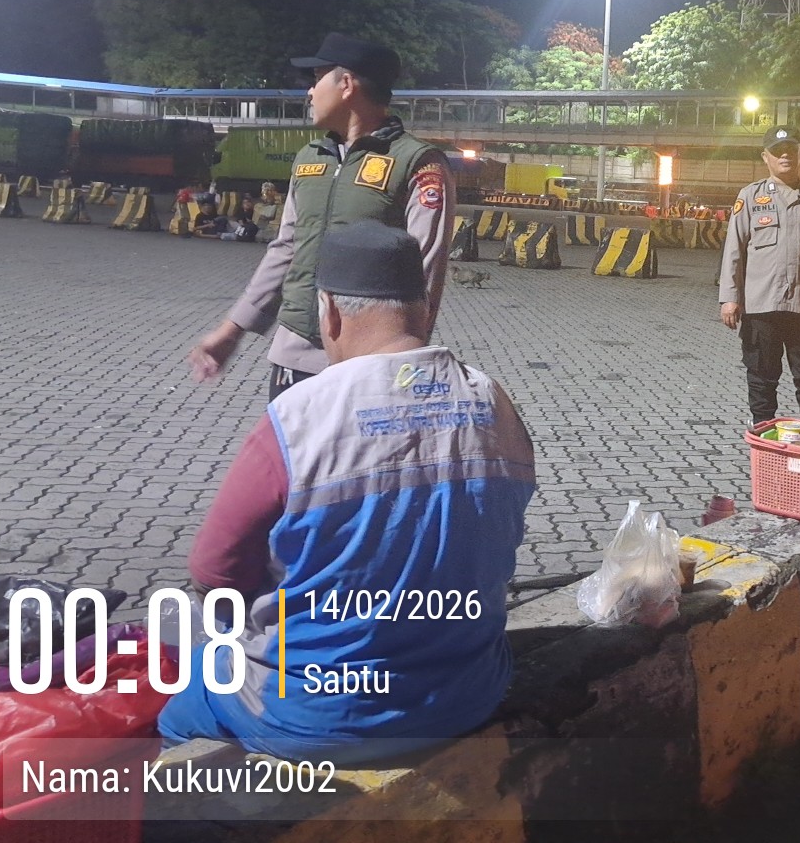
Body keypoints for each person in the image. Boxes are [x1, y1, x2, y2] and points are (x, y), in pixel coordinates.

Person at [158, 221, 536, 764]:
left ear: (330, 313)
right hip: (468, 695)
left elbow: (214, 573)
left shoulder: (298, 416)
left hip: (319, 716)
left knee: (180, 709)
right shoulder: (494, 400)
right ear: (423, 307)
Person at [188, 34, 454, 401]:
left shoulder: (418, 163)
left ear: (346, 84)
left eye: (316, 79)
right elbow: (286, 249)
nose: (309, 92)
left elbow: (426, 268)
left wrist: (404, 360)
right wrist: (231, 330)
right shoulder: (309, 158)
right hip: (294, 354)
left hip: (367, 364)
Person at [719, 125, 800, 425]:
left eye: (791, 149)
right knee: (761, 380)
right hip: (760, 307)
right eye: (777, 151)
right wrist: (729, 298)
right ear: (766, 157)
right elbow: (734, 250)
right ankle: (762, 439)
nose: (785, 155)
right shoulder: (750, 196)